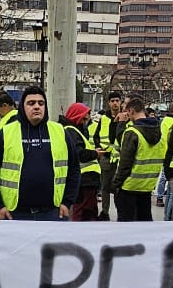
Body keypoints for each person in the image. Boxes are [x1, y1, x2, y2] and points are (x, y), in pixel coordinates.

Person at [0, 87, 82, 221]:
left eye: (41, 103)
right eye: (31, 103)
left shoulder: (60, 132)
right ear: (22, 107)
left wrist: (67, 202)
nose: (37, 107)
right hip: (14, 214)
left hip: (53, 213)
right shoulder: (6, 133)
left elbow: (74, 169)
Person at [113, 97, 165, 222]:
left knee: (126, 224)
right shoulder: (158, 131)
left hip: (129, 186)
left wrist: (115, 184)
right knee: (144, 223)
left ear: (131, 111)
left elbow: (125, 163)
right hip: (147, 186)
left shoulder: (132, 132)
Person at [63, 103, 103, 221]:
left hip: (86, 179)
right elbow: (79, 154)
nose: (85, 122)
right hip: (85, 179)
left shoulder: (73, 130)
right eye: (84, 119)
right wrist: (95, 154)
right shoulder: (71, 131)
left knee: (87, 212)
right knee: (83, 212)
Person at [93, 92, 122, 220]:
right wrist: (99, 147)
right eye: (112, 101)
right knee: (105, 186)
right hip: (106, 157)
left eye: (117, 100)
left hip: (120, 158)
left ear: (120, 102)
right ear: (109, 103)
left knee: (119, 187)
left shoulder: (125, 117)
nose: (115, 103)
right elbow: (96, 136)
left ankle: (121, 211)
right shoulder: (103, 118)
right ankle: (105, 212)